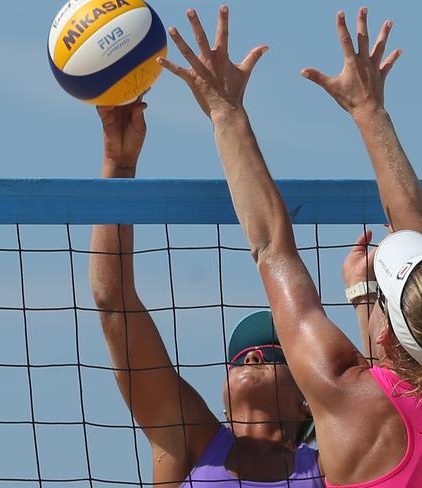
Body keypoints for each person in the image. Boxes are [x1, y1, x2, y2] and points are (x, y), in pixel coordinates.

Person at [158, 5, 422, 487]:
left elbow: (273, 247)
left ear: (388, 337)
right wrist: (370, 111)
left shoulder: (346, 397)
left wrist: (225, 110)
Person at [89, 101, 322, 486]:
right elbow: (113, 303)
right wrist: (119, 162)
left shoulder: (330, 465)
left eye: (270, 353)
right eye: (239, 357)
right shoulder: (191, 441)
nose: (249, 357)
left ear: (306, 400)